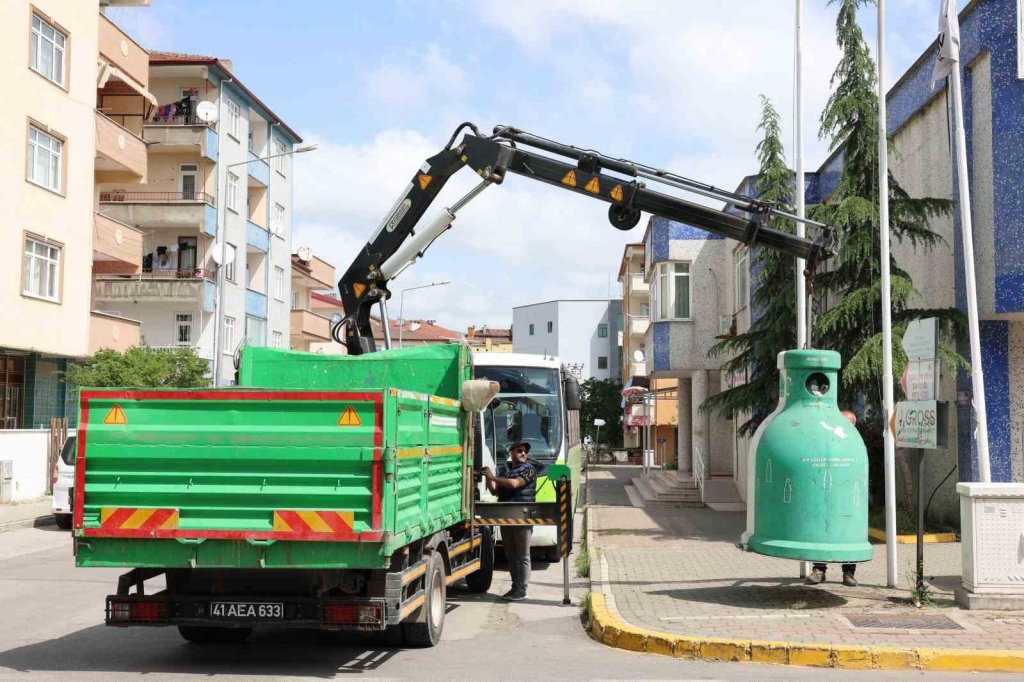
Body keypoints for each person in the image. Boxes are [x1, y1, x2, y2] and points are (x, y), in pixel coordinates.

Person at [482, 440, 541, 601]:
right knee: (511, 555)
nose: (523, 453)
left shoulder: (529, 469)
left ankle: (522, 590)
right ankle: (515, 587)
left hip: (523, 519)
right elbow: (495, 492)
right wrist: (488, 477)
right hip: (506, 518)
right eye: (520, 450)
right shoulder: (505, 470)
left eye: (525, 451)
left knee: (522, 555)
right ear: (511, 453)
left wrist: (494, 477)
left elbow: (514, 484)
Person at [807, 409, 860, 587]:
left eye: (850, 423)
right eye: (843, 422)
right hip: (827, 494)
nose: (846, 426)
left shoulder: (857, 444)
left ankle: (848, 573)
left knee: (849, 534)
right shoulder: (827, 441)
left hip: (849, 496)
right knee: (822, 530)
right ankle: (819, 570)